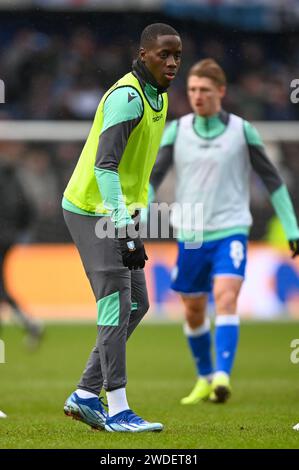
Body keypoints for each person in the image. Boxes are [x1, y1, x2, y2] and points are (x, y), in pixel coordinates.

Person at [149, 58, 299, 405]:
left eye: (204, 90)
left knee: (227, 297)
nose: (197, 96)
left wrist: (292, 227)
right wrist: (141, 208)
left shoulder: (242, 131)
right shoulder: (177, 129)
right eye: (192, 90)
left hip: (231, 229)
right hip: (191, 233)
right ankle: (203, 377)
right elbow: (154, 177)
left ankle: (222, 376)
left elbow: (272, 180)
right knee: (193, 310)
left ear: (221, 91)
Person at [62, 23, 182, 432]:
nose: (172, 62)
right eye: (164, 54)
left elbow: (139, 166)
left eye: (177, 55)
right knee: (114, 303)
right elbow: (105, 166)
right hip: (90, 209)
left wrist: (134, 216)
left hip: (116, 212)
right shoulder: (128, 99)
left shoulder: (158, 98)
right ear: (143, 54)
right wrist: (124, 228)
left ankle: (83, 394)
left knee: (138, 304)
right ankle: (117, 409)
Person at [0, 160, 44, 348]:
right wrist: (20, 231)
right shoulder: (13, 177)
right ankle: (29, 323)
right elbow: (29, 207)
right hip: (8, 237)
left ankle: (30, 323)